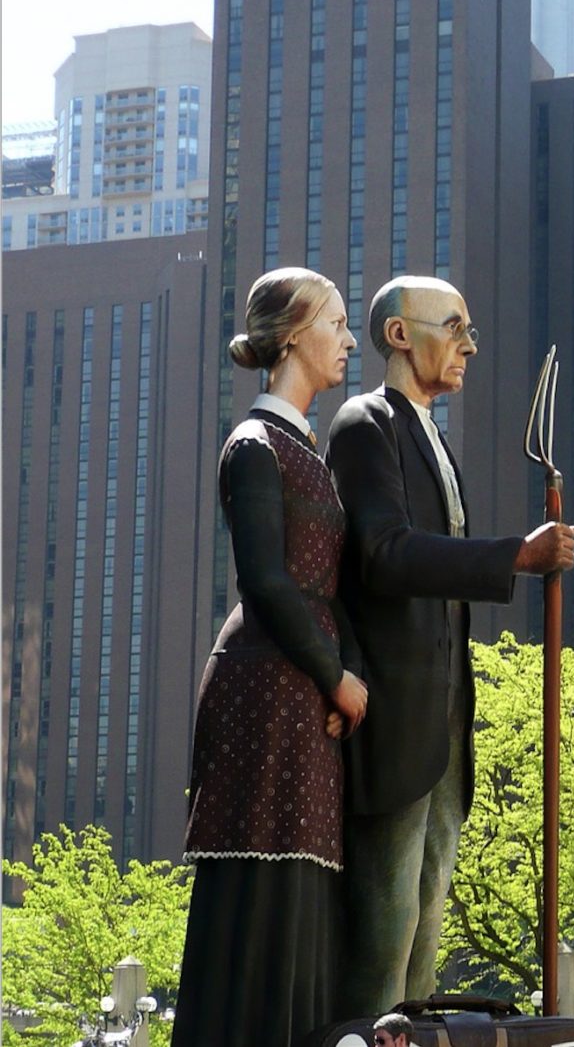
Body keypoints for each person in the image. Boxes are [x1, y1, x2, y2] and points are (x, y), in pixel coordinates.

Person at [327, 274, 574, 1015]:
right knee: (384, 939)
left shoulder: (432, 436)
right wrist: (515, 557)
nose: (469, 342)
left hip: (442, 729)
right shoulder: (363, 424)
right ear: (401, 334)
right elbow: (385, 554)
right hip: (395, 725)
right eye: (454, 325)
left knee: (425, 932)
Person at [172, 267, 369, 1047]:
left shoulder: (304, 449)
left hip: (302, 690)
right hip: (265, 690)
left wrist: (337, 672)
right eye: (337, 322)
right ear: (293, 336)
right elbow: (267, 582)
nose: (349, 339)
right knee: (260, 892)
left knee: (300, 894)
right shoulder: (254, 444)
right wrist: (339, 675)